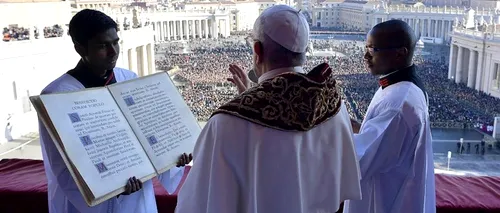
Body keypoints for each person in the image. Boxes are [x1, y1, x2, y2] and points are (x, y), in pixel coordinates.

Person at [175, 5, 361, 213]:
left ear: (257, 50)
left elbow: (199, 202)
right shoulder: (334, 105)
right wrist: (251, 96)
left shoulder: (227, 123)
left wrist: (250, 99)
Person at [38, 9, 192, 213]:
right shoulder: (56, 95)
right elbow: (61, 167)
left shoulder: (128, 78)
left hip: (137, 198)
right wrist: (112, 189)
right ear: (80, 48)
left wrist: (173, 159)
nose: (113, 51)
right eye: (102, 46)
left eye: (115, 42)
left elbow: (147, 133)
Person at [344, 20, 436, 213]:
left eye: (372, 49)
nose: (365, 56)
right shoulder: (400, 87)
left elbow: (357, 163)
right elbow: (380, 137)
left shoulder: (398, 103)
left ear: (399, 53)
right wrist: (345, 121)